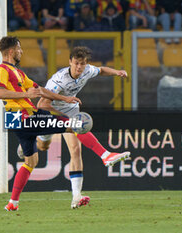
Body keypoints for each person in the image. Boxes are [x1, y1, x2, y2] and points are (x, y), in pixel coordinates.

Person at [32, 46, 130, 209]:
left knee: (76, 150)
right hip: (50, 111)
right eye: (76, 63)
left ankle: (76, 195)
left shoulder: (86, 70)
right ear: (70, 62)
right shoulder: (59, 80)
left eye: (82, 64)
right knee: (43, 146)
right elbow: (42, 104)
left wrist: (117, 72)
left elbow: (101, 70)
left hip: (70, 109)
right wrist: (64, 109)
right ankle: (29, 143)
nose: (79, 67)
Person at [0, 36, 83, 211]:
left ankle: (13, 203)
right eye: (19, 49)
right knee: (74, 125)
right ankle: (105, 155)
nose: (22, 51)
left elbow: (40, 90)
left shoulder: (19, 73)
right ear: (11, 51)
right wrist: (26, 95)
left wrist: (65, 98)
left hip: (20, 118)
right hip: (21, 116)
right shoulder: (1, 70)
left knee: (32, 160)